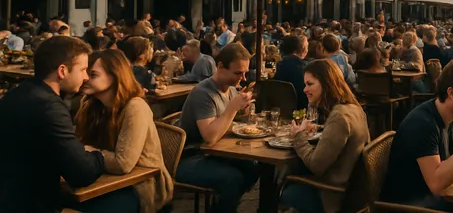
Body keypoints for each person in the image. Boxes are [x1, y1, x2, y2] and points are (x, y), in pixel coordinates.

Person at [0, 36, 105, 212]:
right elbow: (81, 173)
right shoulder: (49, 106)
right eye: (83, 70)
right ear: (62, 71)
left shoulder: (15, 94)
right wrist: (97, 156)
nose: (86, 77)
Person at [380, 58, 453, 210]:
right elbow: (437, 185)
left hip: (439, 195)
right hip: (410, 205)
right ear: (451, 93)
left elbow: (452, 161)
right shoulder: (422, 124)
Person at [75, 50, 172, 212]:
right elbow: (78, 144)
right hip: (104, 179)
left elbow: (122, 164)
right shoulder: (90, 105)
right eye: (85, 73)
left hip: (142, 186)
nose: (85, 78)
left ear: (115, 76)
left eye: (93, 75)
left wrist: (92, 152)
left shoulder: (135, 107)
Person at [176, 43, 260, 213]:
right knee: (232, 179)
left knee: (254, 168)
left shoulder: (230, 90)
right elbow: (210, 136)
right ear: (220, 66)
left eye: (245, 73)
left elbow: (226, 125)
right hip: (187, 157)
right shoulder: (203, 93)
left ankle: (222, 207)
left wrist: (243, 112)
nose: (243, 78)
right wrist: (232, 108)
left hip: (213, 153)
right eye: (238, 73)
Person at [281, 59, 370, 213]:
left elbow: (316, 166)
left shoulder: (339, 117)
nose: (304, 90)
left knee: (283, 185)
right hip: (353, 189)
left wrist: (298, 135)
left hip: (332, 195)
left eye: (310, 84)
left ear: (327, 84)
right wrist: (321, 128)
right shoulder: (353, 107)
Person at [274, 35, 309, 109]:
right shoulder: (307, 69)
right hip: (301, 109)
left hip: (279, 107)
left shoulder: (280, 65)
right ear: (303, 50)